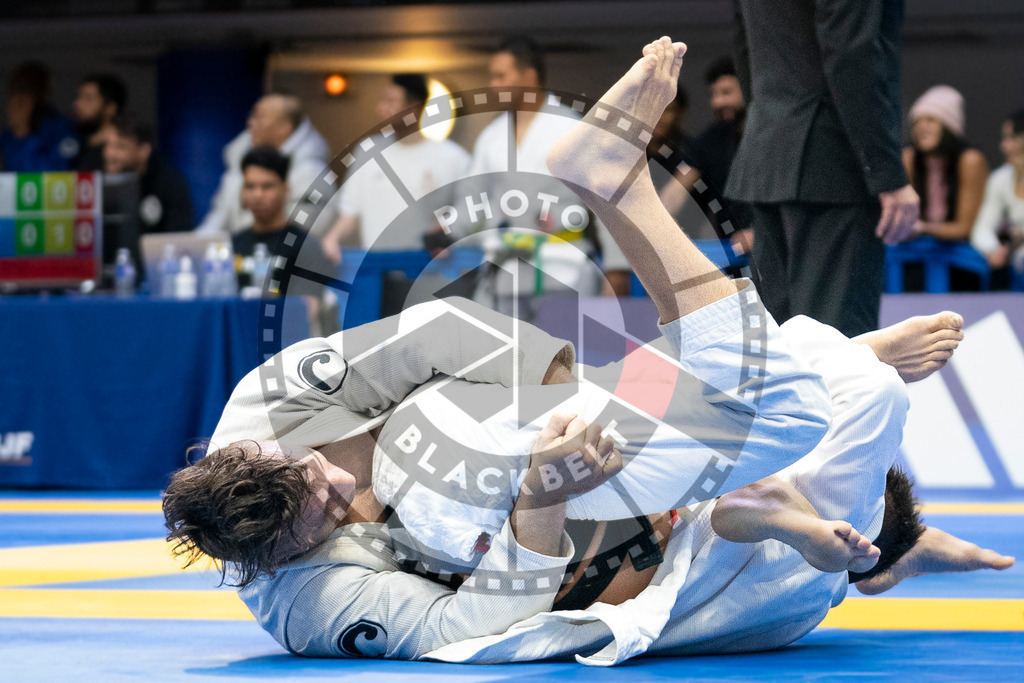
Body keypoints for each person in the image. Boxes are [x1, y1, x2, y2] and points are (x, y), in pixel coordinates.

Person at [162, 39, 1013, 663]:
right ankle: (790, 319)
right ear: (271, 560)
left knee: (776, 407)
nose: (339, 488)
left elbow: (435, 335)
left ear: (257, 448)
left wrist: (570, 386)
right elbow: (474, 629)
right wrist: (538, 502)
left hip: (510, 423)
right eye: (322, 514)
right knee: (829, 397)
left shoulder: (273, 399)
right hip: (538, 523)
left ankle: (623, 195)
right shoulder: (311, 603)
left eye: (315, 474)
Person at [726, 0, 920, 338]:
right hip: (833, 159)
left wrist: (771, 123)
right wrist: (886, 172)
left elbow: (745, 46)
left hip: (770, 151)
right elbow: (852, 52)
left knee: (780, 343)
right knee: (835, 343)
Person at [462, 35, 630, 303]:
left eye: (500, 76)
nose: (493, 85)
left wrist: (616, 268)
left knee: (563, 346)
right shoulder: (491, 137)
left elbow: (604, 199)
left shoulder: (570, 128)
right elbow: (470, 197)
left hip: (562, 268)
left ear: (528, 77)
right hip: (504, 273)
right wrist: (448, 233)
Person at [320, 74, 471, 260]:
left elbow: (470, 208)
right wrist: (332, 237)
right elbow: (350, 211)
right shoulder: (368, 150)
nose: (382, 108)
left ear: (414, 108)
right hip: (375, 264)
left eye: (391, 101)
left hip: (428, 267)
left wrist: (447, 234)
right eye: (383, 100)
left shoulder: (453, 157)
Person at [196, 92, 334, 236]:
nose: (250, 123)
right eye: (250, 186)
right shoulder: (237, 166)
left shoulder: (312, 175)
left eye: (258, 117)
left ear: (284, 127)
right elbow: (217, 219)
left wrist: (253, 244)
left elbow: (303, 232)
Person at [232, 146, 334, 336]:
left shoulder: (305, 246)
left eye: (267, 186)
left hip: (282, 347)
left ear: (285, 188)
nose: (257, 195)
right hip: (237, 340)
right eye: (250, 186)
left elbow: (306, 313)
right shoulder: (233, 244)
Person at [899, 85, 990, 291]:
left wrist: (922, 228)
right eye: (916, 122)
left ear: (949, 125)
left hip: (961, 258)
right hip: (917, 256)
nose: (921, 127)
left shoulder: (970, 160)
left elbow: (964, 228)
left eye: (930, 120)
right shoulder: (909, 158)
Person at [659, 56, 751, 250]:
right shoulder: (713, 138)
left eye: (726, 92)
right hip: (732, 251)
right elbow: (680, 184)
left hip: (777, 249)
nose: (717, 102)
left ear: (748, 89)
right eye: (713, 94)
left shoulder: (772, 137)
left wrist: (761, 234)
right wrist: (654, 224)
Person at [103, 114, 194, 235]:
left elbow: (178, 242)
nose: (109, 154)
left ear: (144, 151)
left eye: (120, 147)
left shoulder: (170, 184)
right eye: (107, 145)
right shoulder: (95, 180)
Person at [971, 109, 1024, 283]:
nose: (1003, 146)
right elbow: (982, 229)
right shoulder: (1000, 179)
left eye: (1010, 138)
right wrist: (994, 249)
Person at [0, 61, 78, 172]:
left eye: (26, 90)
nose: (19, 97)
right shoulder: (6, 137)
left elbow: (58, 174)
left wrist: (24, 131)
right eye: (16, 90)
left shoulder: (62, 128)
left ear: (44, 92)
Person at [72, 73, 127, 172]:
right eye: (79, 97)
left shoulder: (121, 153)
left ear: (110, 107)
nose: (77, 104)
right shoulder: (74, 141)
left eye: (88, 98)